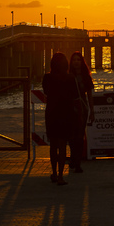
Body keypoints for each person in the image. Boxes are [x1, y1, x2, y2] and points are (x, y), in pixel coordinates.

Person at [42, 52, 79, 185]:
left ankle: (54, 173)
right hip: (66, 113)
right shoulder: (70, 78)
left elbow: (46, 92)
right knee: (63, 145)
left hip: (52, 113)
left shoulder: (47, 77)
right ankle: (61, 177)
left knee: (53, 145)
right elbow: (75, 96)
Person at [68, 52, 94, 173]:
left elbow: (90, 95)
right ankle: (73, 157)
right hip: (71, 108)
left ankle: (77, 162)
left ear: (82, 62)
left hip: (83, 109)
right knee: (71, 136)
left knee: (80, 136)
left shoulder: (86, 77)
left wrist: (92, 111)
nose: (76, 62)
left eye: (78, 60)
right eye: (74, 60)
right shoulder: (68, 76)